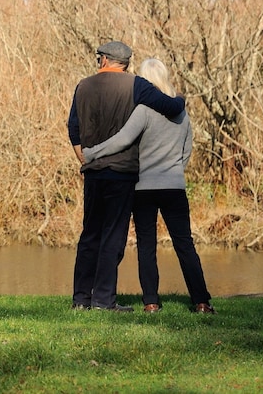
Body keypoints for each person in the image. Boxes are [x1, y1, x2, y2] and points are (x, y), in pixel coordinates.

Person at [81, 58, 215, 314]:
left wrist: (93, 152)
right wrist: (174, 171)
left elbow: (122, 141)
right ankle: (201, 301)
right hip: (174, 186)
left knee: (146, 245)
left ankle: (151, 302)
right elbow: (187, 150)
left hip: (143, 187)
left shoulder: (143, 110)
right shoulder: (181, 113)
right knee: (184, 244)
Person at [67, 41, 185, 312]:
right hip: (122, 173)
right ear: (127, 63)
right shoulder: (137, 86)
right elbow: (171, 107)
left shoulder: (82, 86)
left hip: (93, 173)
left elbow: (73, 127)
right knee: (113, 236)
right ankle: (104, 301)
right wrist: (181, 99)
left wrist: (83, 157)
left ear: (105, 60)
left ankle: (81, 299)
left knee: (90, 235)